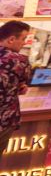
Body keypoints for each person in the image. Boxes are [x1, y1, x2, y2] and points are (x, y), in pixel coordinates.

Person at [0, 21, 32, 157]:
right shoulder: (19, 60)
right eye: (23, 39)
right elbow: (22, 86)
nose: (24, 43)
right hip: (4, 118)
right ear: (11, 39)